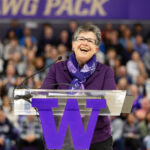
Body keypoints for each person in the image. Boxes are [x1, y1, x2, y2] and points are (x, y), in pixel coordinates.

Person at [41, 24, 116, 150]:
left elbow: (112, 102)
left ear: (96, 48)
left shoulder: (105, 72)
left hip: (97, 139)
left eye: (90, 41)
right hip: (62, 137)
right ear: (73, 45)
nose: (85, 43)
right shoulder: (57, 68)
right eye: (81, 39)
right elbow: (43, 97)